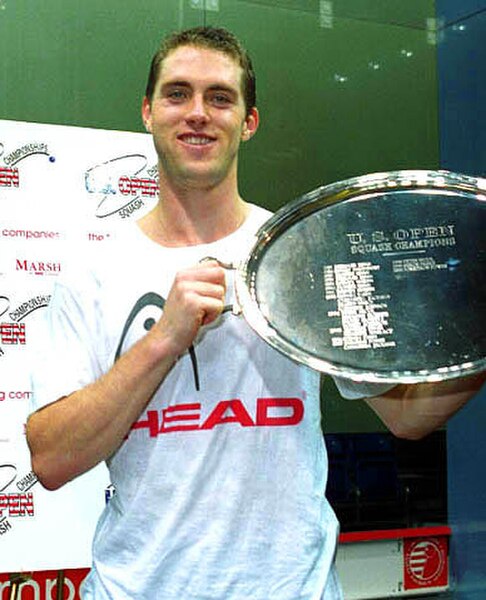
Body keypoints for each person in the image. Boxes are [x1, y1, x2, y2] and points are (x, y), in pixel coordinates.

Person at [26, 26, 485, 600]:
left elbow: (409, 418)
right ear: (147, 112)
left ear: (249, 122)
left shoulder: (305, 254)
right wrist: (163, 341)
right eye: (177, 94)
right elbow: (51, 459)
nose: (197, 113)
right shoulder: (89, 275)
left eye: (220, 98)